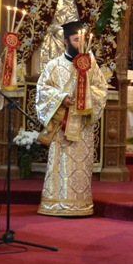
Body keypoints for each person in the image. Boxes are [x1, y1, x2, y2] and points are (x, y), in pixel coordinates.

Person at [34, 20, 107, 216]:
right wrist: (61, 98)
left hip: (82, 126)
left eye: (83, 39)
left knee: (80, 165)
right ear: (65, 42)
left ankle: (80, 204)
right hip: (61, 126)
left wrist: (85, 99)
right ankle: (55, 203)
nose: (80, 44)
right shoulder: (53, 65)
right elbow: (42, 90)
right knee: (60, 164)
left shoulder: (91, 65)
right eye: (76, 40)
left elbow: (101, 90)